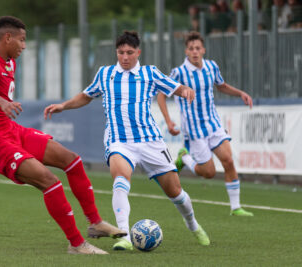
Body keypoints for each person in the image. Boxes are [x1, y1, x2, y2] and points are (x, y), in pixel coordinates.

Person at [0, 16, 126, 255]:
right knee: (49, 181)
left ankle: (96, 223)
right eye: (21, 40)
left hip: (9, 130)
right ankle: (77, 244)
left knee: (72, 160)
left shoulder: (8, 60)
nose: (24, 46)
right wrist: (1, 107)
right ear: (7, 38)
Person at [44, 31, 210, 251]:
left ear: (138, 52)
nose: (125, 57)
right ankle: (125, 236)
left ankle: (193, 225)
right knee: (120, 180)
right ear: (116, 52)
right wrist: (64, 105)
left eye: (129, 53)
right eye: (121, 52)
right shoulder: (105, 74)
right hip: (119, 141)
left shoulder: (150, 73)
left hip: (150, 141)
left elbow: (176, 88)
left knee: (176, 192)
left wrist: (185, 90)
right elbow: (86, 95)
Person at [157, 31, 254, 217]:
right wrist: (169, 121)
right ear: (186, 51)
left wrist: (240, 93)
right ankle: (185, 158)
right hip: (194, 131)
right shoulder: (179, 72)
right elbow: (161, 94)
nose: (195, 52)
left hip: (213, 124)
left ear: (204, 50)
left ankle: (236, 207)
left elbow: (221, 86)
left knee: (229, 160)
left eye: (198, 48)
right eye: (191, 48)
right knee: (209, 173)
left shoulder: (211, 66)